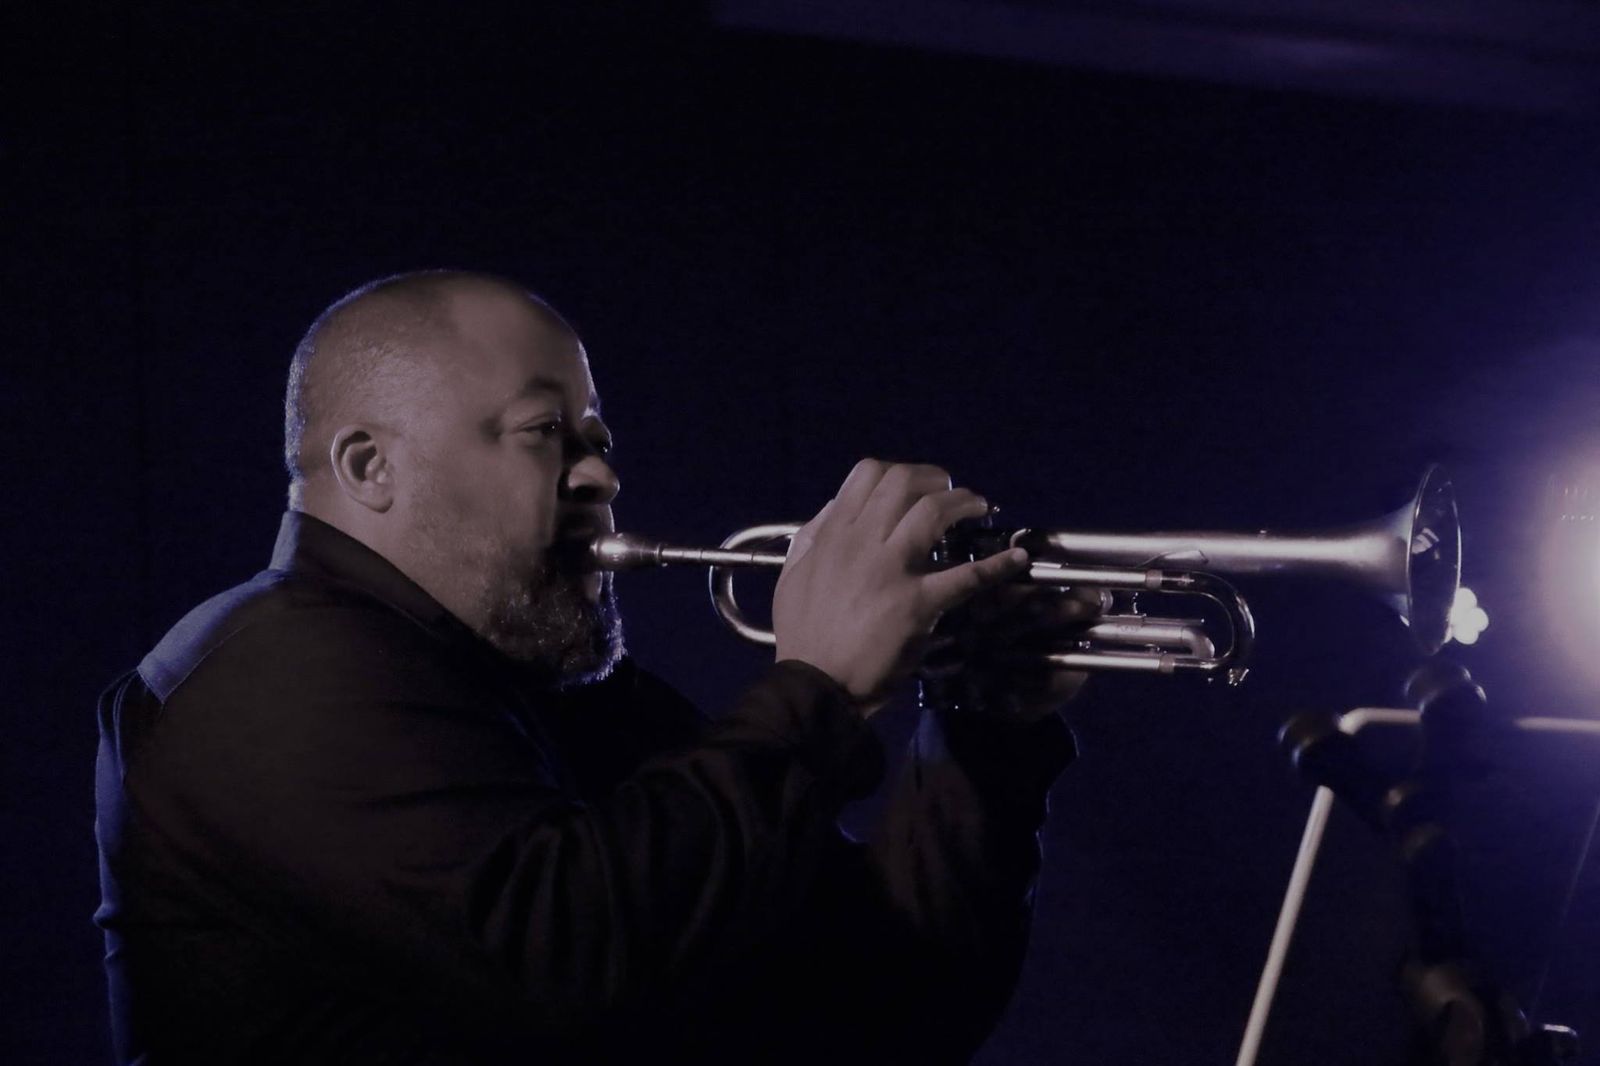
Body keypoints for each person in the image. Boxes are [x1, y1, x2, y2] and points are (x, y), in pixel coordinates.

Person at [94, 271, 1087, 1065]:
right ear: (369, 467)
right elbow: (566, 965)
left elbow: (889, 1006)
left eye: (598, 440)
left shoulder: (572, 697)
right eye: (544, 433)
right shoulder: (270, 673)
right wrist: (821, 687)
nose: (602, 473)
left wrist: (983, 728)